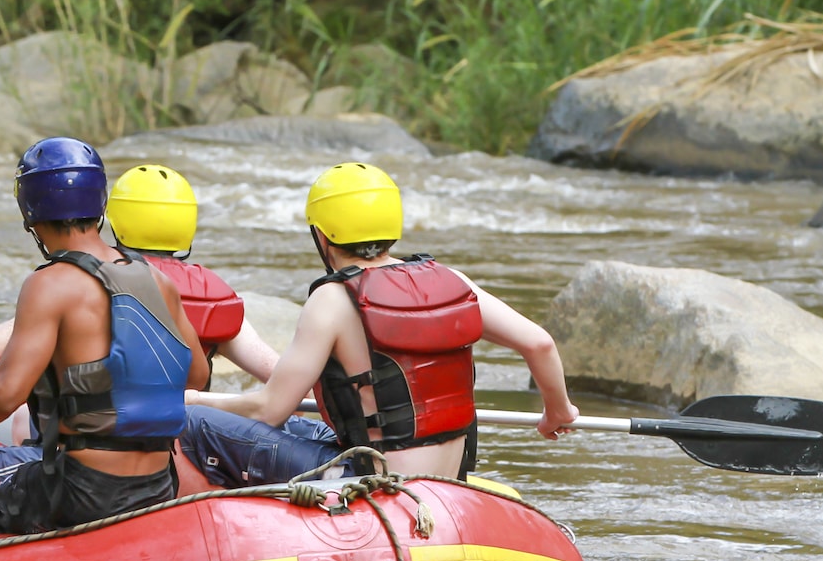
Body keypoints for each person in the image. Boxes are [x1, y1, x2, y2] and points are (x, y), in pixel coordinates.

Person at [183, 162, 579, 483]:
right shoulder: (452, 280)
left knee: (193, 422)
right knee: (299, 431)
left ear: (321, 236)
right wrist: (556, 412)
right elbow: (539, 343)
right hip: (449, 478)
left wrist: (195, 400)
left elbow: (269, 410)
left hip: (370, 479)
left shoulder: (333, 299)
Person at [0, 139, 209, 535]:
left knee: (0, 508)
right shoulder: (158, 280)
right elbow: (197, 376)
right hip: (157, 485)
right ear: (99, 203)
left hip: (85, 489)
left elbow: (4, 394)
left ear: (31, 211)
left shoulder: (48, 284)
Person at [0, 162, 279, 479]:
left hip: (80, 475)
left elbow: (2, 372)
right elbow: (218, 377)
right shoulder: (178, 289)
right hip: (161, 468)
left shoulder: (68, 285)